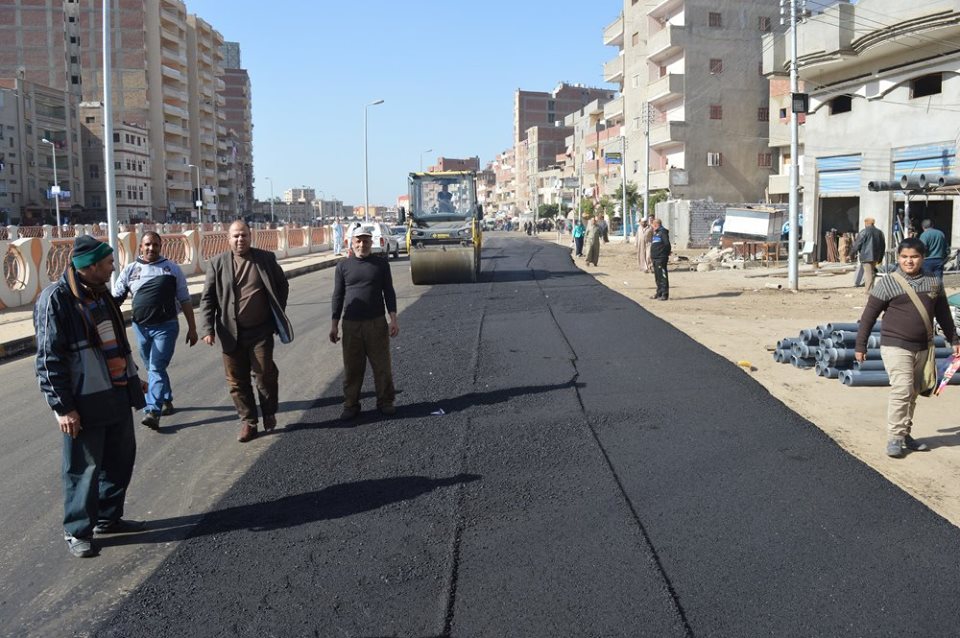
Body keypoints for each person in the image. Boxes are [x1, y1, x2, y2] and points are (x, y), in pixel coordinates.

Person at [34, 236, 147, 558]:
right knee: (83, 468)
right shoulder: (56, 299)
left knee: (119, 459)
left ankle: (109, 519)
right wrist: (63, 407)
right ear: (92, 266)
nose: (114, 267)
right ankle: (77, 530)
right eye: (109, 263)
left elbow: (116, 343)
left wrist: (132, 375)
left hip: (117, 392)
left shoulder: (102, 295)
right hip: (84, 400)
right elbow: (47, 358)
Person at [855, 237, 960, 458]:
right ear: (898, 258)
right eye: (904, 257)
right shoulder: (888, 283)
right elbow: (868, 317)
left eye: (914, 257)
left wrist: (955, 340)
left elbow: (943, 315)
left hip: (924, 347)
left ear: (922, 258)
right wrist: (860, 345)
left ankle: (905, 434)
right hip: (895, 345)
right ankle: (894, 438)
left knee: (913, 393)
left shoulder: (933, 281)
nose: (909, 261)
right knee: (901, 389)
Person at [200, 221, 292, 443]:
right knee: (236, 381)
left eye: (244, 235)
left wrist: (276, 314)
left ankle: (269, 411)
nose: (240, 240)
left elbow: (282, 285)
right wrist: (207, 329)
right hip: (230, 333)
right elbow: (208, 298)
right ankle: (249, 422)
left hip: (261, 331)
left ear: (251, 237)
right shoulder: (216, 263)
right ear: (228, 239)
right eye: (236, 236)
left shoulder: (265, 259)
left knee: (264, 374)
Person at [113, 231, 198, 430]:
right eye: (148, 244)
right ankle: (166, 397)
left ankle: (153, 409)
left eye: (155, 245)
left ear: (161, 247)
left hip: (166, 328)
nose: (152, 248)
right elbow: (115, 299)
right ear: (141, 247)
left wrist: (192, 328)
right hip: (140, 327)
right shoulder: (131, 270)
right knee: (152, 367)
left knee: (156, 367)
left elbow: (185, 300)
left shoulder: (171, 269)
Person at [329, 226, 399, 420]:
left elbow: (389, 292)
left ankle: (385, 401)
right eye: (358, 241)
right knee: (352, 368)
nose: (362, 244)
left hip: (376, 323)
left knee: (382, 365)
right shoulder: (343, 266)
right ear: (351, 243)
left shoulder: (381, 264)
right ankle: (351, 405)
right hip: (351, 325)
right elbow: (338, 296)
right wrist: (334, 324)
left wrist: (393, 318)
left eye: (366, 241)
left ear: (371, 242)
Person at [851, 217, 886, 294]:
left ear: (866, 223)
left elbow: (857, 244)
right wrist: (881, 257)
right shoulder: (880, 232)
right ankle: (871, 289)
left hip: (866, 256)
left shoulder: (864, 232)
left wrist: (851, 253)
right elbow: (883, 245)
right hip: (876, 256)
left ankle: (869, 291)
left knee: (868, 273)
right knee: (872, 272)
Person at [650, 217, 672, 300]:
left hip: (661, 258)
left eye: (653, 225)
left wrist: (665, 253)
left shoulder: (663, 232)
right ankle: (659, 293)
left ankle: (664, 294)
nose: (652, 227)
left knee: (663, 276)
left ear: (656, 225)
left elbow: (667, 244)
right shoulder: (656, 233)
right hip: (655, 258)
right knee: (657, 277)